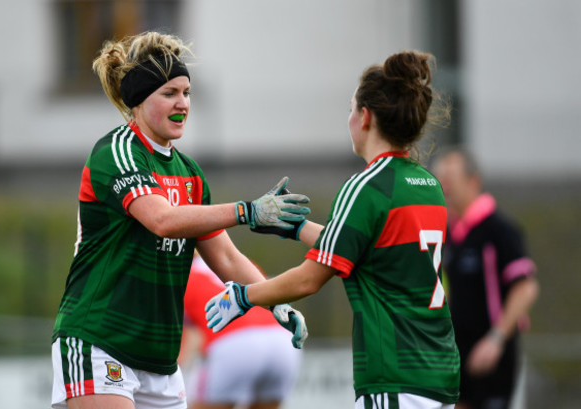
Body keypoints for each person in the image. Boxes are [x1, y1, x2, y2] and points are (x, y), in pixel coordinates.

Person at [50, 31, 310, 409]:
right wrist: (247, 211)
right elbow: (162, 220)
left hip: (160, 360)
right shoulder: (117, 151)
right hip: (99, 340)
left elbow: (226, 258)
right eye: (169, 94)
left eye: (186, 93)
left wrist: (276, 302)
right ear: (138, 100)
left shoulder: (190, 172)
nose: (183, 103)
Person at [205, 50, 460, 409]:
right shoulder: (427, 184)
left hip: (395, 376)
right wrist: (298, 229)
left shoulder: (366, 186)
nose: (349, 119)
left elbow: (308, 280)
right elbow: (375, 251)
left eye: (351, 109)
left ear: (366, 117)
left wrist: (246, 296)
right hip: (440, 371)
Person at [432, 148, 539, 409]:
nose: (445, 185)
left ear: (473, 181)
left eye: (451, 178)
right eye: (441, 179)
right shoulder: (449, 232)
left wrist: (496, 339)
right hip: (459, 353)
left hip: (493, 354)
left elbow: (526, 287)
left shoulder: (499, 229)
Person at [180, 254, 301, 409]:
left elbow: (184, 342)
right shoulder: (242, 261)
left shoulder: (180, 273)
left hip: (233, 343)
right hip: (282, 339)